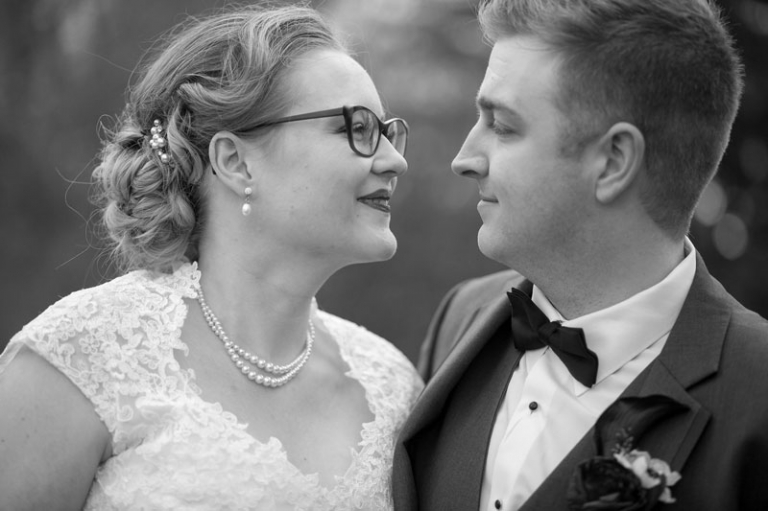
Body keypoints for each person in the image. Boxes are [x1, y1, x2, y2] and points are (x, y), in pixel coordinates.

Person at [0, 5, 423, 510]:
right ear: (235, 161)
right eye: (354, 127)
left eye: (385, 130)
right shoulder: (82, 360)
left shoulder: (393, 386)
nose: (394, 159)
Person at [393, 0, 768, 509]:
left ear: (613, 162)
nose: (465, 159)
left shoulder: (758, 392)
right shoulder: (462, 318)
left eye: (502, 126)